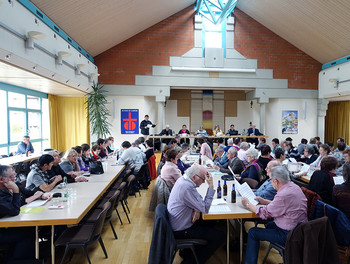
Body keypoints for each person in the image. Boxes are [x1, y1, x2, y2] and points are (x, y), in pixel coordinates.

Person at [242, 166, 307, 264]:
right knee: (269, 225)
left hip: (289, 234)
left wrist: (247, 204)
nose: (270, 182)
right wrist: (264, 201)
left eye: (271, 180)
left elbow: (264, 213)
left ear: (276, 181)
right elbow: (280, 205)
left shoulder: (284, 194)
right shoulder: (293, 186)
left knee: (252, 232)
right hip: (298, 228)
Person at [167, 165, 225, 264]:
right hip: (182, 230)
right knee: (220, 236)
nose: (204, 182)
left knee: (212, 221)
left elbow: (196, 202)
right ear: (194, 177)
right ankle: (191, 261)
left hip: (179, 223)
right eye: (203, 179)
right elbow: (205, 208)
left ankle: (188, 252)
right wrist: (211, 186)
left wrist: (197, 209)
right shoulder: (187, 187)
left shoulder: (183, 180)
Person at [0, 165, 36, 262]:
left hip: (4, 225)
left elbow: (20, 202)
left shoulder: (5, 189)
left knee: (29, 229)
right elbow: (15, 211)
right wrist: (15, 191)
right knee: (28, 233)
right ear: (1, 179)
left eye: (14, 175)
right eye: (11, 177)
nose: (14, 179)